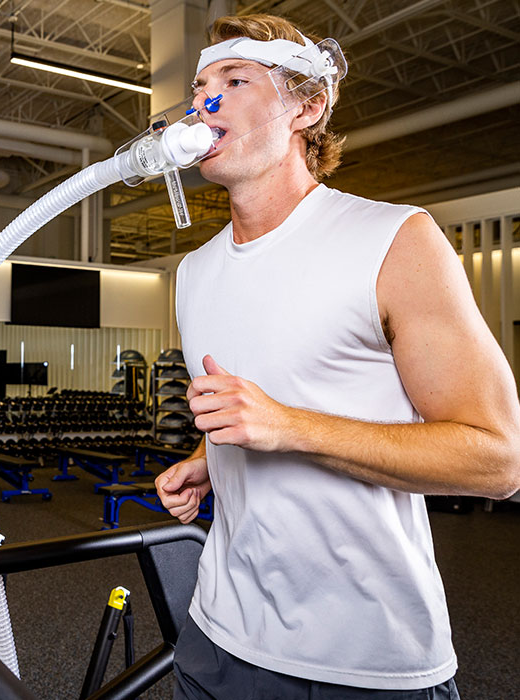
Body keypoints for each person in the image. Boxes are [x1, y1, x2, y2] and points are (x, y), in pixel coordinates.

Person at [154, 14, 520, 700]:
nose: (205, 100)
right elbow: (273, 396)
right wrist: (210, 461)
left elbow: (498, 459)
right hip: (216, 634)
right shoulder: (195, 272)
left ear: (309, 106)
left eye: (236, 80)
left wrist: (287, 428)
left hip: (361, 663)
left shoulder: (394, 240)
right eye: (200, 85)